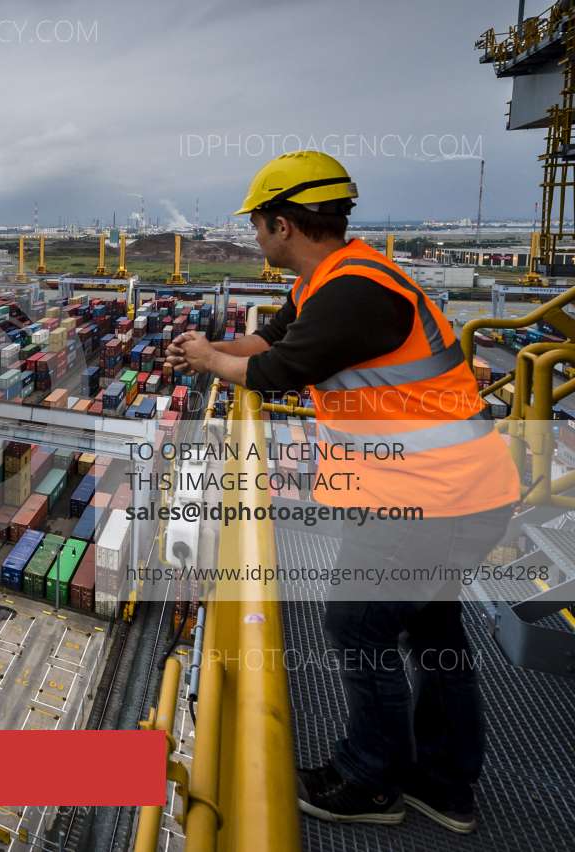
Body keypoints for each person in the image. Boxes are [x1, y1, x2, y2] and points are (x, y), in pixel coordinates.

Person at [166, 150, 519, 833]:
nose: (253, 235)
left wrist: (209, 359)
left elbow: (279, 370)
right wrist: (213, 351)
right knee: (434, 633)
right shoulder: (329, 280)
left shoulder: (354, 292)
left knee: (357, 626)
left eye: (256, 224)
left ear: (282, 225)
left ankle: (370, 781)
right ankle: (444, 784)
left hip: (432, 499)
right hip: (454, 491)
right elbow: (270, 340)